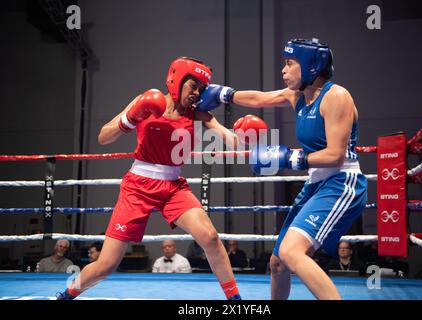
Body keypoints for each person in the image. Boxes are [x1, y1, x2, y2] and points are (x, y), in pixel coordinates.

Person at [56, 57, 266, 300]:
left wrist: (248, 137)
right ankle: (66, 295)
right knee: (107, 264)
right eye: (193, 85)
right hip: (137, 186)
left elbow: (229, 139)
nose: (197, 93)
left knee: (209, 237)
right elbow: (104, 136)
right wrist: (131, 117)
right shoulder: (144, 101)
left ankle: (234, 300)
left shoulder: (198, 113)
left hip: (173, 187)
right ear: (176, 79)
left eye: (201, 88)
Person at [196, 38, 368, 299]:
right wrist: (224, 94)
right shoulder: (296, 96)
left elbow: (335, 155)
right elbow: (258, 98)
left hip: (342, 181)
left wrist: (291, 158)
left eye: (289, 64)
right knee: (278, 263)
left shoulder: (336, 97)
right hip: (315, 184)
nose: (283, 71)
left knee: (291, 252)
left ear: (311, 66)